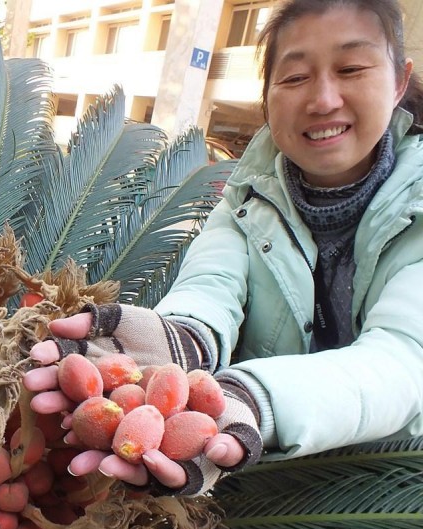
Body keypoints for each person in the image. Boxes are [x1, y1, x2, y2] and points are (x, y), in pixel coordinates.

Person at [23, 0, 423, 496]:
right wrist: (180, 341)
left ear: (400, 81)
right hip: (252, 486)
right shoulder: (245, 198)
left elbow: (405, 360)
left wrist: (254, 400)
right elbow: (210, 286)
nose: (323, 100)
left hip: (385, 500)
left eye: (351, 69)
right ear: (267, 94)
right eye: (295, 77)